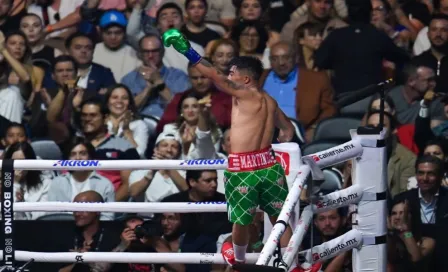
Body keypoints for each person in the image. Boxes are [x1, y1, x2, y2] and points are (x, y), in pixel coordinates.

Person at [163, 29, 295, 266]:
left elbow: (213, 74)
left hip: (244, 168)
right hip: (269, 165)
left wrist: (185, 48)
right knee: (280, 218)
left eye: (232, 73)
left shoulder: (243, 93)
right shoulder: (270, 100)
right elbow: (287, 131)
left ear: (245, 79)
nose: (228, 77)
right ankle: (292, 264)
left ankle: (239, 264)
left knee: (241, 220)